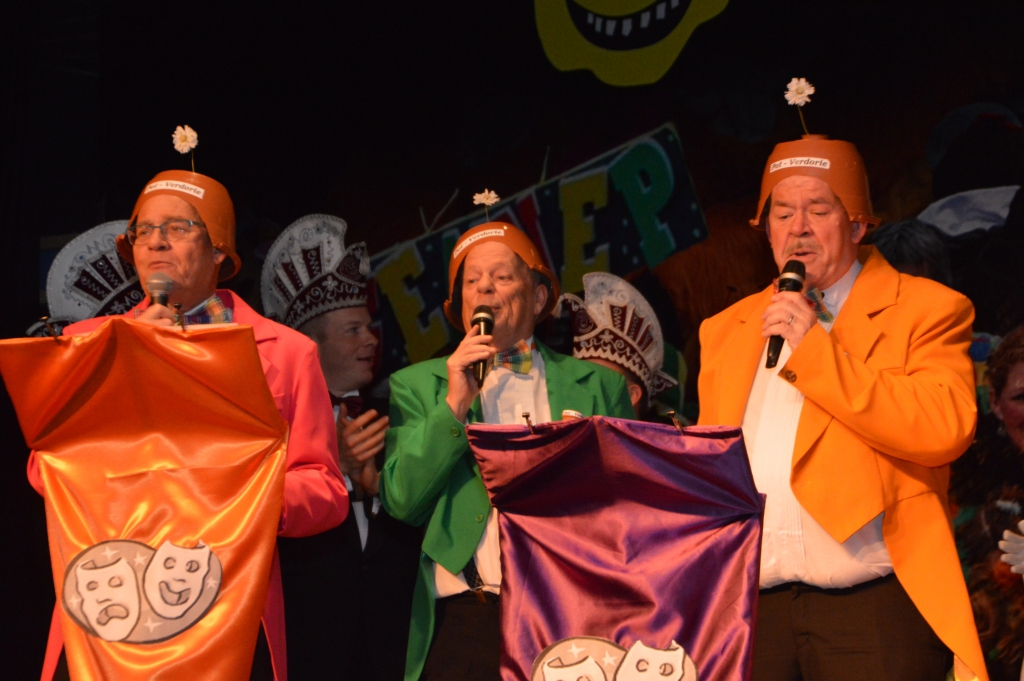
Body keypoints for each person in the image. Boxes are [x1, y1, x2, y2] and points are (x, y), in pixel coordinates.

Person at [28, 170, 349, 681]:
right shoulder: (88, 343)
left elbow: (325, 490)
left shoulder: (288, 352)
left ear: (219, 249)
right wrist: (125, 358)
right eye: (143, 230)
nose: (156, 242)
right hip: (108, 600)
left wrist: (242, 500)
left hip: (224, 604)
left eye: (178, 228)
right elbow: (46, 469)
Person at [696, 134, 987, 681]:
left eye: (818, 210)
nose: (798, 228)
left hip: (872, 605)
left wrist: (816, 353)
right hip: (754, 610)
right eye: (783, 213)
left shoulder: (926, 309)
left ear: (857, 225)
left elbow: (944, 428)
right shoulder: (725, 329)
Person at [379, 222, 634, 681]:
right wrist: (453, 407)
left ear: (538, 298)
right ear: (457, 307)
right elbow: (401, 501)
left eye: (501, 277)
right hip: (470, 621)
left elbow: (629, 513)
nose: (484, 289)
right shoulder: (417, 386)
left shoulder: (599, 386)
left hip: (573, 618)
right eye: (472, 281)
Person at [261, 214, 422, 681]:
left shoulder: (400, 413)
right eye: (352, 330)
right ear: (309, 345)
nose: (370, 340)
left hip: (393, 649)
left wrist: (378, 488)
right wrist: (334, 468)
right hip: (309, 649)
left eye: (369, 328)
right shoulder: (273, 428)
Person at [559, 271, 678, 419]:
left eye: (599, 379)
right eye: (581, 380)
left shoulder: (666, 435)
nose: (584, 389)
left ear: (631, 395)